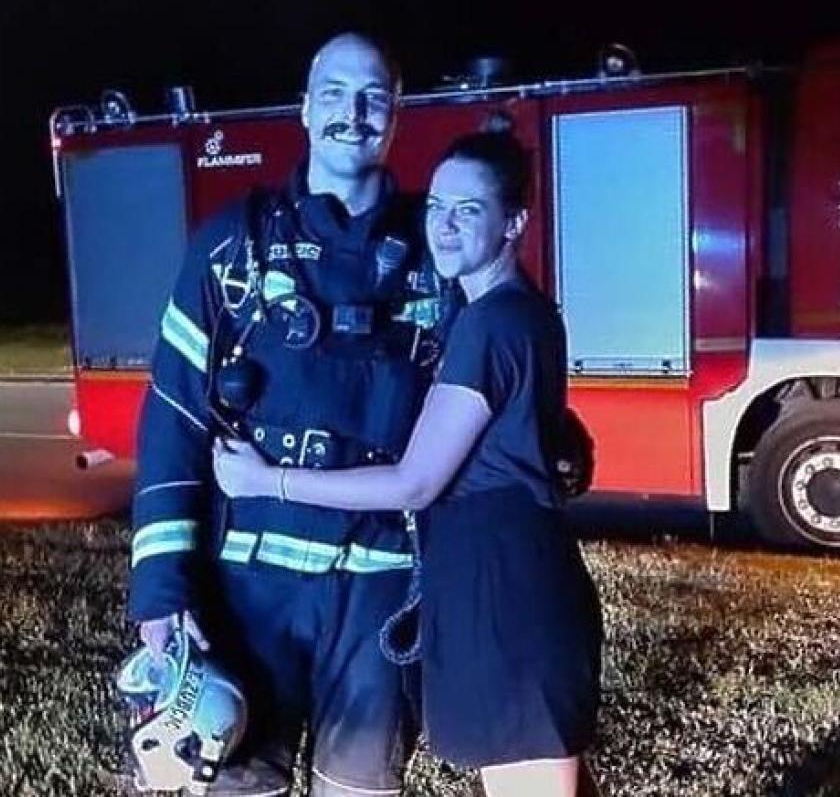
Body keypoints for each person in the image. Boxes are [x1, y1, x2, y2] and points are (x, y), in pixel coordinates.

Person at [213, 131, 603, 797]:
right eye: (437, 207)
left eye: (468, 210)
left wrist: (265, 480)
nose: (443, 226)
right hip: (512, 578)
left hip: (503, 595)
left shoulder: (490, 324)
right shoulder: (523, 311)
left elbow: (414, 482)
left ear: (514, 223)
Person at [128, 33, 451, 797]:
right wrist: (161, 590)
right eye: (334, 94)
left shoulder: (440, 256)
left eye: (372, 97)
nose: (353, 113)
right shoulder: (229, 251)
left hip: (379, 594)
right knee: (240, 785)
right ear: (304, 109)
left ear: (397, 112)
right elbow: (172, 420)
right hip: (247, 596)